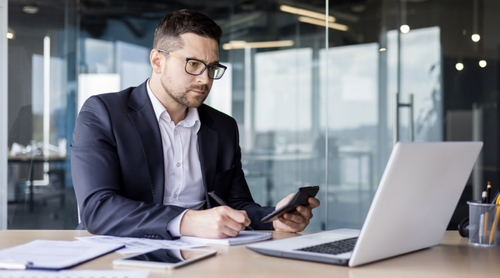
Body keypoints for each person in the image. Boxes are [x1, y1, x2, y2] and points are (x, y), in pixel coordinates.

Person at [71, 9, 320, 240]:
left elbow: (235, 205)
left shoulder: (223, 127)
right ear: (158, 61)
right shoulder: (104, 114)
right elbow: (97, 208)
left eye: (212, 67)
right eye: (193, 64)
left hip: (203, 255)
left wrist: (274, 218)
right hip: (119, 252)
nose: (205, 79)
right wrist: (187, 221)